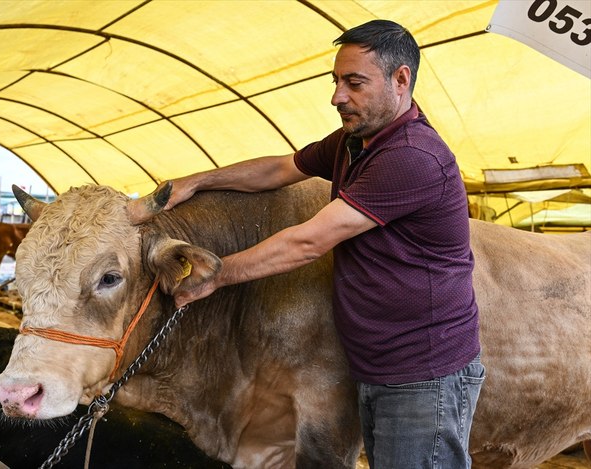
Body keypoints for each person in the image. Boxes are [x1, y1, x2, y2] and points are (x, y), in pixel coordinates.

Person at [164, 19, 484, 469]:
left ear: (401, 80)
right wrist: (196, 182)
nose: (337, 96)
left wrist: (217, 275)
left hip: (421, 374)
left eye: (354, 83)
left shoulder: (412, 156)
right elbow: (278, 169)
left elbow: (309, 241)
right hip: (377, 364)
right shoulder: (355, 142)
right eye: (336, 81)